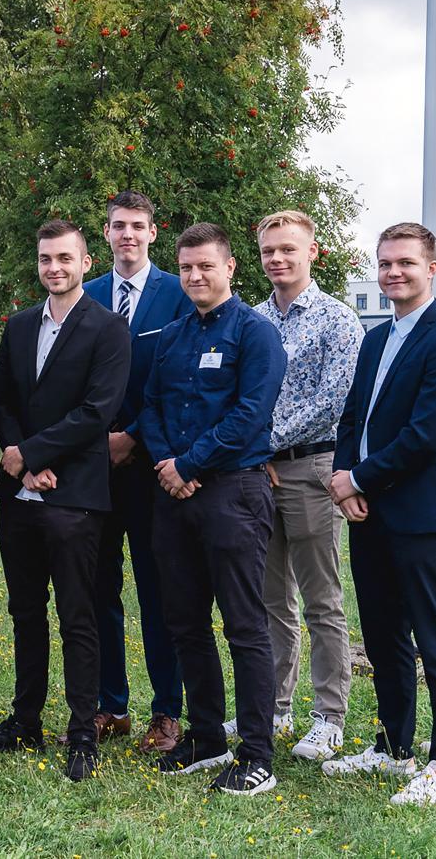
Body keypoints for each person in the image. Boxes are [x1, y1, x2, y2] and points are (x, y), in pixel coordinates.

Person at [323, 222, 436, 807]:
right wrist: (346, 481)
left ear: (431, 268)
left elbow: (427, 434)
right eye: (385, 263)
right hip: (369, 513)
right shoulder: (374, 339)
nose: (394, 273)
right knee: (385, 636)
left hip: (425, 514)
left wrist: (358, 476)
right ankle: (393, 747)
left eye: (406, 263)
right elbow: (352, 420)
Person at [138, 223, 285, 795]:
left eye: (206, 266)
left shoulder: (256, 334)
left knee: (245, 625)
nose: (195, 276)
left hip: (233, 492)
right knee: (185, 622)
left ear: (230, 269)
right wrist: (168, 465)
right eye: (187, 268)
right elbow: (149, 407)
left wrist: (190, 465)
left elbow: (251, 412)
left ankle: (257, 754)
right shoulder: (171, 336)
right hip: (173, 494)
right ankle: (206, 737)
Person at [0, 219, 130, 782]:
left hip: (76, 496)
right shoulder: (19, 327)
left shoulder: (107, 328)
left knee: (78, 616)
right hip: (19, 496)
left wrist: (34, 458)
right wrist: (19, 457)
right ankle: (25, 719)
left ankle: (80, 733)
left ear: (85, 262)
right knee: (25, 612)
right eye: (46, 259)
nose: (55, 268)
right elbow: (1, 402)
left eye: (65, 259)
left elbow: (98, 411)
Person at [243, 210, 361, 761]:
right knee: (270, 599)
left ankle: (329, 715)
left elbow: (333, 400)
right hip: (258, 472)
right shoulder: (252, 319)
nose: (278, 259)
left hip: (312, 469)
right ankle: (277, 707)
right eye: (269, 250)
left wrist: (255, 441)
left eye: (288, 249)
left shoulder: (337, 320)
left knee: (321, 599)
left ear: (313, 252)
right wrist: (251, 450)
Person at [80, 191, 193, 753]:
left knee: (158, 591)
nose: (128, 235)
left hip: (154, 465)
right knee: (101, 589)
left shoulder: (178, 293)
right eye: (118, 226)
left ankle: (167, 711)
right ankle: (110, 705)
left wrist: (134, 437)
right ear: (106, 234)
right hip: (94, 468)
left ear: (153, 233)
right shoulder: (87, 293)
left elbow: (178, 382)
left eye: (138, 227)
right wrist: (96, 439)